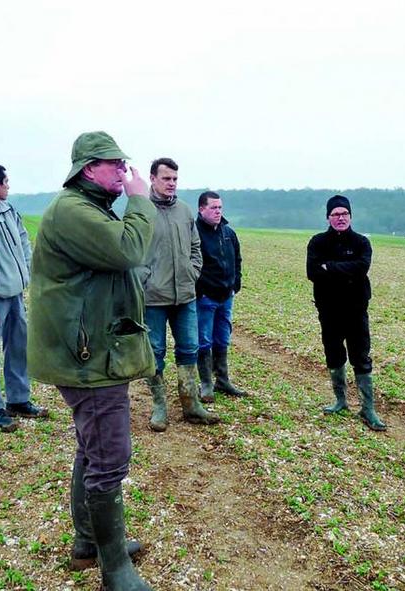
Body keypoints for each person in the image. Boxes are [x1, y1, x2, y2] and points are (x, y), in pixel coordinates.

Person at [28, 131, 155, 591]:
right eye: (115, 164)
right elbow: (129, 250)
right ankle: (115, 570)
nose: (124, 171)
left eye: (125, 165)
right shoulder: (72, 210)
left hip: (90, 348)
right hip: (88, 356)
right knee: (109, 458)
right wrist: (141, 202)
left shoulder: (87, 207)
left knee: (91, 447)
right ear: (89, 169)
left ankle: (89, 542)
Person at [139, 158, 219, 431]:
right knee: (155, 351)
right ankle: (159, 407)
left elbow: (196, 247)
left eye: (175, 179)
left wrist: (192, 272)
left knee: (189, 348)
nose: (172, 183)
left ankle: (190, 403)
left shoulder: (184, 211)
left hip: (185, 295)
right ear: (152, 178)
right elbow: (132, 251)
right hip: (154, 297)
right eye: (166, 178)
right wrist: (144, 280)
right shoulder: (141, 211)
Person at [0, 163, 47, 432]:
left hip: (16, 292)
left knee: (19, 347)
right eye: (6, 182)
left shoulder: (8, 210)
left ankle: (19, 399)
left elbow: (24, 242)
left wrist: (27, 274)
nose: (8, 186)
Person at [306, 194, 386, 431]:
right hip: (329, 309)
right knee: (333, 352)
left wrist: (329, 267)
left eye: (344, 214)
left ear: (350, 216)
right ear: (328, 217)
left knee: (361, 355)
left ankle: (367, 408)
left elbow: (362, 268)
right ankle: (340, 400)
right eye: (335, 214)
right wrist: (343, 270)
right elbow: (312, 272)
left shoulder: (361, 242)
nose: (340, 218)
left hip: (356, 309)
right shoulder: (318, 242)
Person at [194, 191, 245, 402]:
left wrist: (235, 284)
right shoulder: (194, 232)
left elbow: (237, 259)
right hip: (205, 297)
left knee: (222, 337)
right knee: (203, 340)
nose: (218, 212)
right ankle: (206, 384)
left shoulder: (228, 233)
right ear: (201, 209)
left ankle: (222, 380)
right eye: (213, 208)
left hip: (226, 296)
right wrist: (200, 290)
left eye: (220, 207)